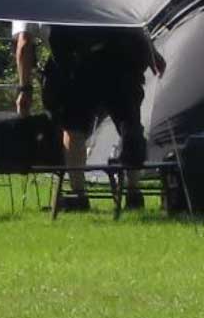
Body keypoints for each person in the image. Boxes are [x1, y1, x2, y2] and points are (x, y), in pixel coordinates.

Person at [41, 23, 166, 210]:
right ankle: (130, 192)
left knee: (123, 128)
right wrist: (150, 50)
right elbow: (131, 17)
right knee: (126, 126)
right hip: (104, 61)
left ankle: (83, 193)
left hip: (99, 62)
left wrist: (150, 50)